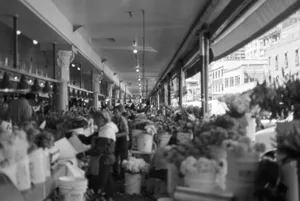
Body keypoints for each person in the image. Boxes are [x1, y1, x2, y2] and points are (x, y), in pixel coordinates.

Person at [77, 110, 118, 201]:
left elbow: (100, 149)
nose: (94, 121)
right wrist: (79, 136)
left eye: (96, 118)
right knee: (107, 178)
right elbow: (90, 139)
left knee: (101, 180)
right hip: (106, 158)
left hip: (104, 158)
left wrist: (85, 153)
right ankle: (109, 196)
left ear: (103, 119)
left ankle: (101, 196)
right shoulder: (103, 129)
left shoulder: (107, 130)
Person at [112, 105, 129, 179]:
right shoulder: (113, 119)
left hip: (123, 141)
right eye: (114, 112)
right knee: (115, 158)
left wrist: (116, 135)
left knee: (123, 159)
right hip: (116, 141)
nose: (115, 114)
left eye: (116, 112)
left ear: (120, 112)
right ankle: (115, 175)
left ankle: (122, 176)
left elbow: (126, 132)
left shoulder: (123, 120)